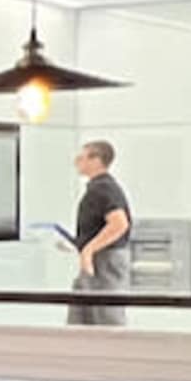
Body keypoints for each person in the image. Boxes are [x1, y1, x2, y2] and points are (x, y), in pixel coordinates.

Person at [67, 137, 134, 327]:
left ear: (96, 160)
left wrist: (89, 249)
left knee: (106, 315)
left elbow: (119, 224)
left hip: (105, 260)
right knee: (83, 315)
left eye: (82, 158)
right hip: (97, 259)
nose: (77, 162)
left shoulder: (104, 189)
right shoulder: (97, 189)